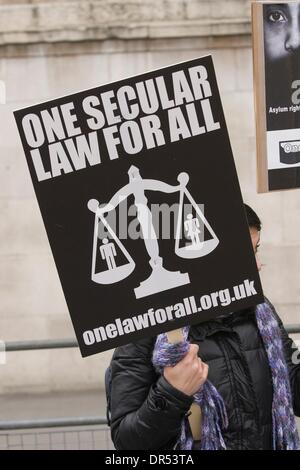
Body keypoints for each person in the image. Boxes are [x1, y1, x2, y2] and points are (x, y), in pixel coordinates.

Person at [109, 204, 300, 450]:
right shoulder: (151, 325)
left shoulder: (261, 314)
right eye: (245, 253)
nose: (258, 265)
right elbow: (127, 443)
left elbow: (294, 386)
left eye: (257, 249)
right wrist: (171, 393)